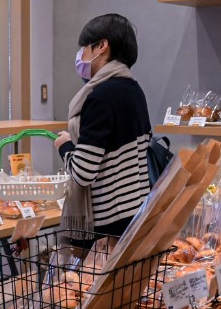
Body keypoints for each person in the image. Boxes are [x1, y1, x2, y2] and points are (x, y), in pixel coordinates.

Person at [55, 13, 152, 240]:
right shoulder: (134, 91)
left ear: (101, 46)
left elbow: (83, 172)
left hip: (108, 223)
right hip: (136, 212)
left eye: (85, 48)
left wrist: (64, 145)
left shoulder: (100, 97)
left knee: (97, 276)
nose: (81, 55)